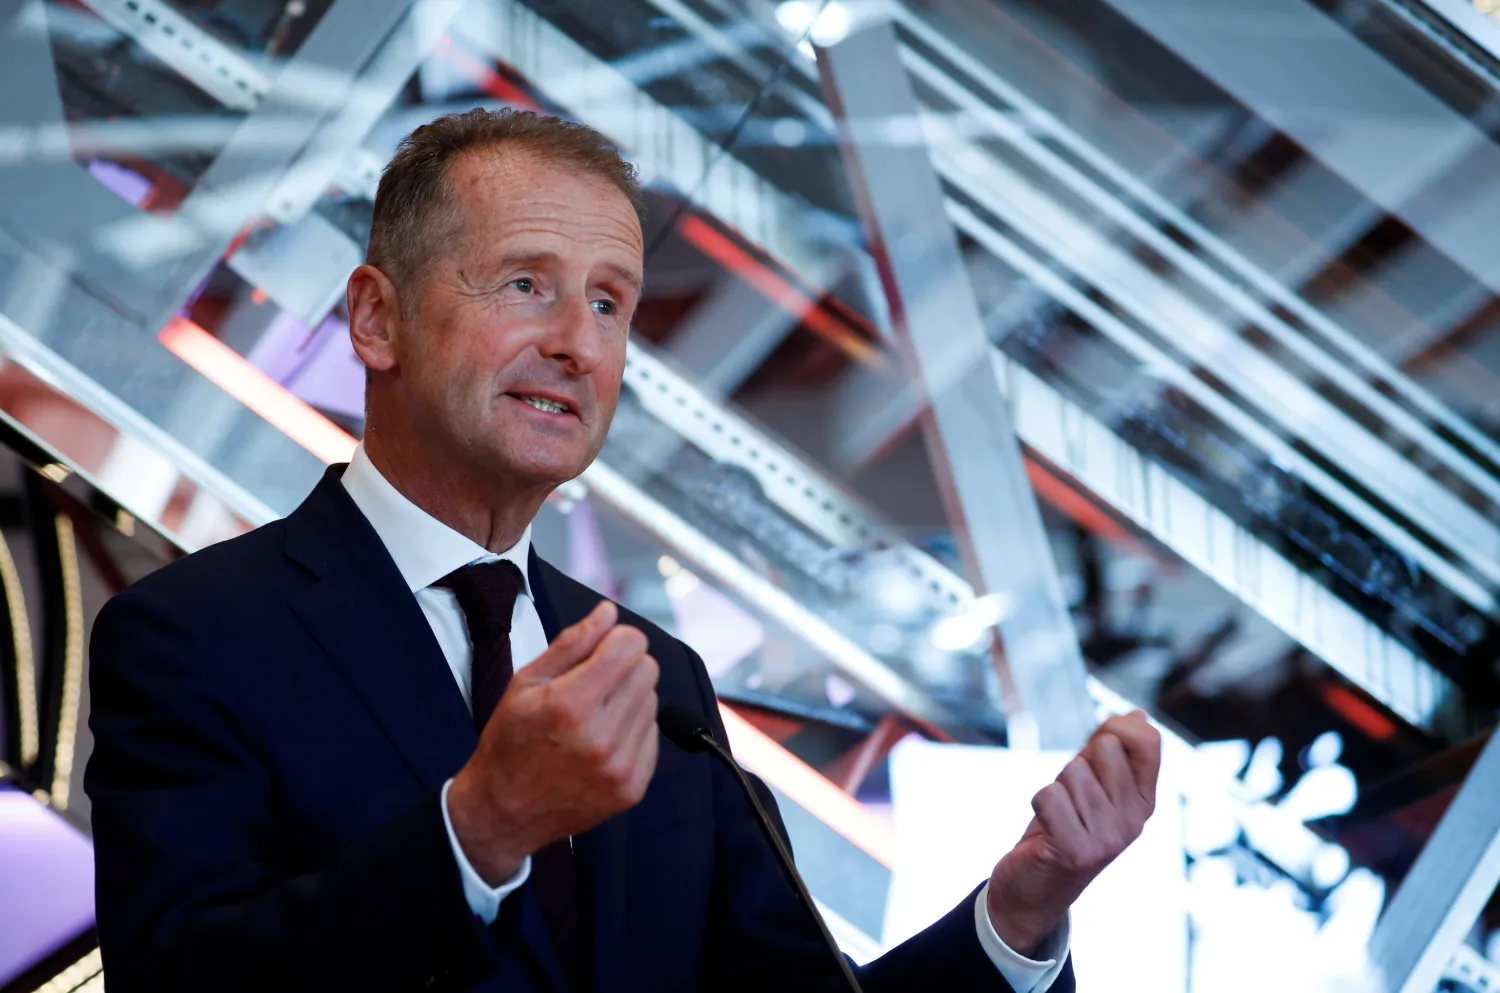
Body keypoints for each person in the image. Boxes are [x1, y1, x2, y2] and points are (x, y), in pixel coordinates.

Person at [85, 109, 1161, 993]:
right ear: (376, 320)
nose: (578, 341)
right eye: (525, 284)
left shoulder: (655, 681)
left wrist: (1022, 908)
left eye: (610, 302)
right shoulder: (197, 633)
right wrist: (476, 834)